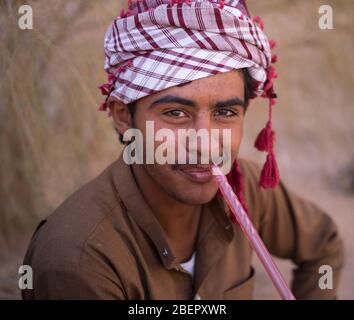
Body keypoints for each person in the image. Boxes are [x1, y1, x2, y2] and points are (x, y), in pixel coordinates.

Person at [22, 0, 343, 300]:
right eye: (176, 113)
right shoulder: (80, 260)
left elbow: (323, 246)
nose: (204, 143)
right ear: (124, 116)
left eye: (225, 113)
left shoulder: (245, 189)